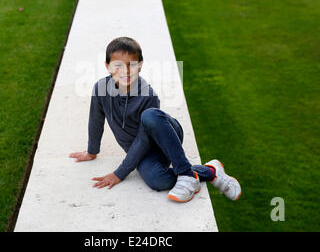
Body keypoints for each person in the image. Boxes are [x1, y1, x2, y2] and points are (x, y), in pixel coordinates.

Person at [69, 37, 241, 202]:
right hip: (142, 150)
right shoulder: (100, 88)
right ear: (107, 66)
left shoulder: (148, 95)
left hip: (164, 134)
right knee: (158, 181)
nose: (126, 71)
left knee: (149, 114)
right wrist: (92, 151)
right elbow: (96, 120)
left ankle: (187, 175)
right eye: (118, 66)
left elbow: (145, 138)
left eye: (132, 65)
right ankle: (211, 171)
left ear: (140, 66)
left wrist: (120, 173)